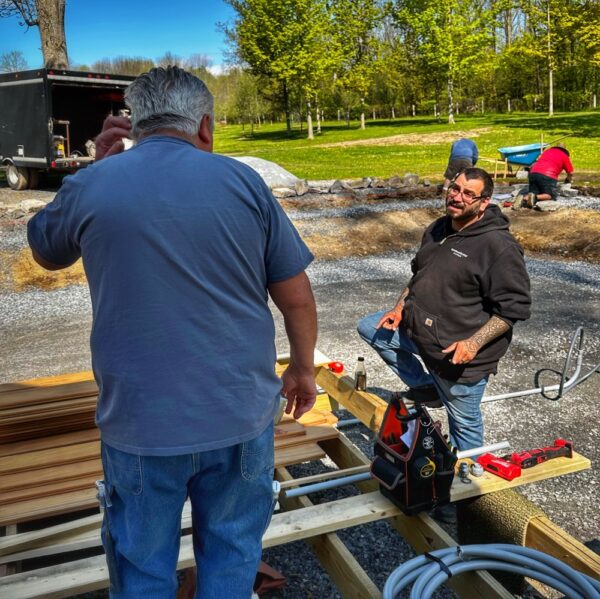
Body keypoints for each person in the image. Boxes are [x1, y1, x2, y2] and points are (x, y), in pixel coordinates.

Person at [27, 66, 318, 599]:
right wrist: (302, 368)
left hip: (140, 425)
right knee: (232, 554)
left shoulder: (94, 184)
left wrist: (93, 171)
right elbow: (295, 295)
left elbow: (46, 252)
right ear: (204, 126)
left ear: (134, 124)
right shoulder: (243, 182)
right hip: (239, 417)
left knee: (141, 566)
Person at [358, 168, 531, 454]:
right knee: (370, 327)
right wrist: (399, 309)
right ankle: (427, 388)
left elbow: (513, 310)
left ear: (483, 202)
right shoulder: (439, 228)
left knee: (463, 423)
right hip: (420, 333)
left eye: (468, 194)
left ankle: (471, 487)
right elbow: (418, 275)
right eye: (455, 188)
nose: (457, 197)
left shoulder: (498, 247)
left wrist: (473, 343)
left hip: (457, 353)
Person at [516, 142, 574, 209]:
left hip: (533, 173)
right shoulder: (564, 156)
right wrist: (568, 180)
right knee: (551, 196)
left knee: (535, 192)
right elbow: (570, 173)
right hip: (547, 176)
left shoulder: (547, 151)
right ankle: (532, 197)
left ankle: (524, 199)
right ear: (565, 150)